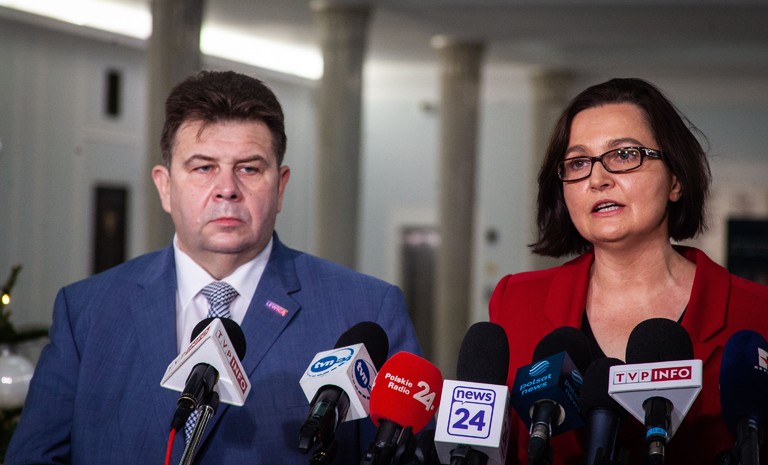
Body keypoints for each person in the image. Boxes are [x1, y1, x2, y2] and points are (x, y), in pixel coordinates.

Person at [6, 70, 422, 464]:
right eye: (204, 167)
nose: (227, 189)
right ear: (165, 186)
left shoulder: (365, 310)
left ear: (280, 187)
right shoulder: (87, 311)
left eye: (249, 168)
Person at [489, 78, 768, 465]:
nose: (597, 179)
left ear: (675, 179)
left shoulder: (755, 312)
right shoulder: (517, 301)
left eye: (624, 155)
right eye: (578, 162)